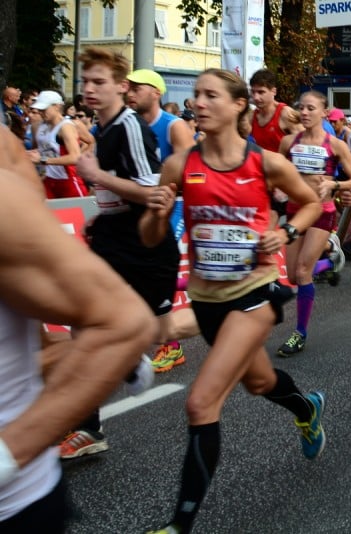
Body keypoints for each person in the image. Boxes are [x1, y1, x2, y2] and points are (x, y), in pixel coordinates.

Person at [140, 68, 326, 534]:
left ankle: (178, 525)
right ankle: (307, 410)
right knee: (259, 382)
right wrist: (157, 214)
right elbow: (151, 238)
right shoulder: (179, 165)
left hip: (254, 296)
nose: (199, 103)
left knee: (201, 403)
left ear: (238, 104)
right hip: (207, 299)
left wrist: (286, 231)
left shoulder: (265, 163)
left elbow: (310, 203)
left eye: (211, 95)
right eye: (196, 95)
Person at [0, 122, 156, 532]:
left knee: (206, 398)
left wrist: (6, 455)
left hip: (15, 509)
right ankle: (120, 365)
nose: (89, 91)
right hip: (103, 237)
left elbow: (124, 322)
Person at [61, 47, 179, 459]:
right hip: (113, 239)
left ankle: (130, 358)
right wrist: (103, 213)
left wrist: (96, 176)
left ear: (120, 87)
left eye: (99, 82)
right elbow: (120, 189)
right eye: (85, 82)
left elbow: (153, 193)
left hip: (144, 246)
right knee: (83, 323)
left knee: (161, 330)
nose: (89, 89)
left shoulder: (129, 126)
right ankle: (88, 426)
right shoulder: (103, 127)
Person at [276, 90, 351, 357]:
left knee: (302, 272)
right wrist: (277, 188)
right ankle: (330, 262)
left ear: (324, 112)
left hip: (322, 212)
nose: (305, 112)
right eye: (301, 107)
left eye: (311, 108)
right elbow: (277, 172)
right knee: (292, 275)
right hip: (295, 211)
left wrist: (335, 185)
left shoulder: (335, 145)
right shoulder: (288, 142)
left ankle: (299, 333)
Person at [127, 68, 197, 373]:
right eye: (128, 88)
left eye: (137, 88)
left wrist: (160, 184)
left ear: (156, 92)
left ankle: (171, 345)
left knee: (158, 269)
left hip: (176, 205)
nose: (130, 93)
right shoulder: (128, 123)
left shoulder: (173, 125)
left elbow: (191, 169)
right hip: (142, 207)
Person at [26, 90, 90, 198]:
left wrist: (43, 160)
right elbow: (37, 151)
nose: (41, 112)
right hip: (47, 180)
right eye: (40, 109)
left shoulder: (65, 127)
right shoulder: (37, 126)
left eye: (44, 109)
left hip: (67, 181)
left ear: (57, 106)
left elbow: (75, 157)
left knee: (77, 209)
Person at [250, 69, 302, 153]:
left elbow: (306, 141)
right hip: (263, 161)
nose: (256, 97)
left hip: (284, 161)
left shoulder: (286, 113)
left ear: (273, 91)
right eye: (253, 92)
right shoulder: (252, 116)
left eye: (261, 92)